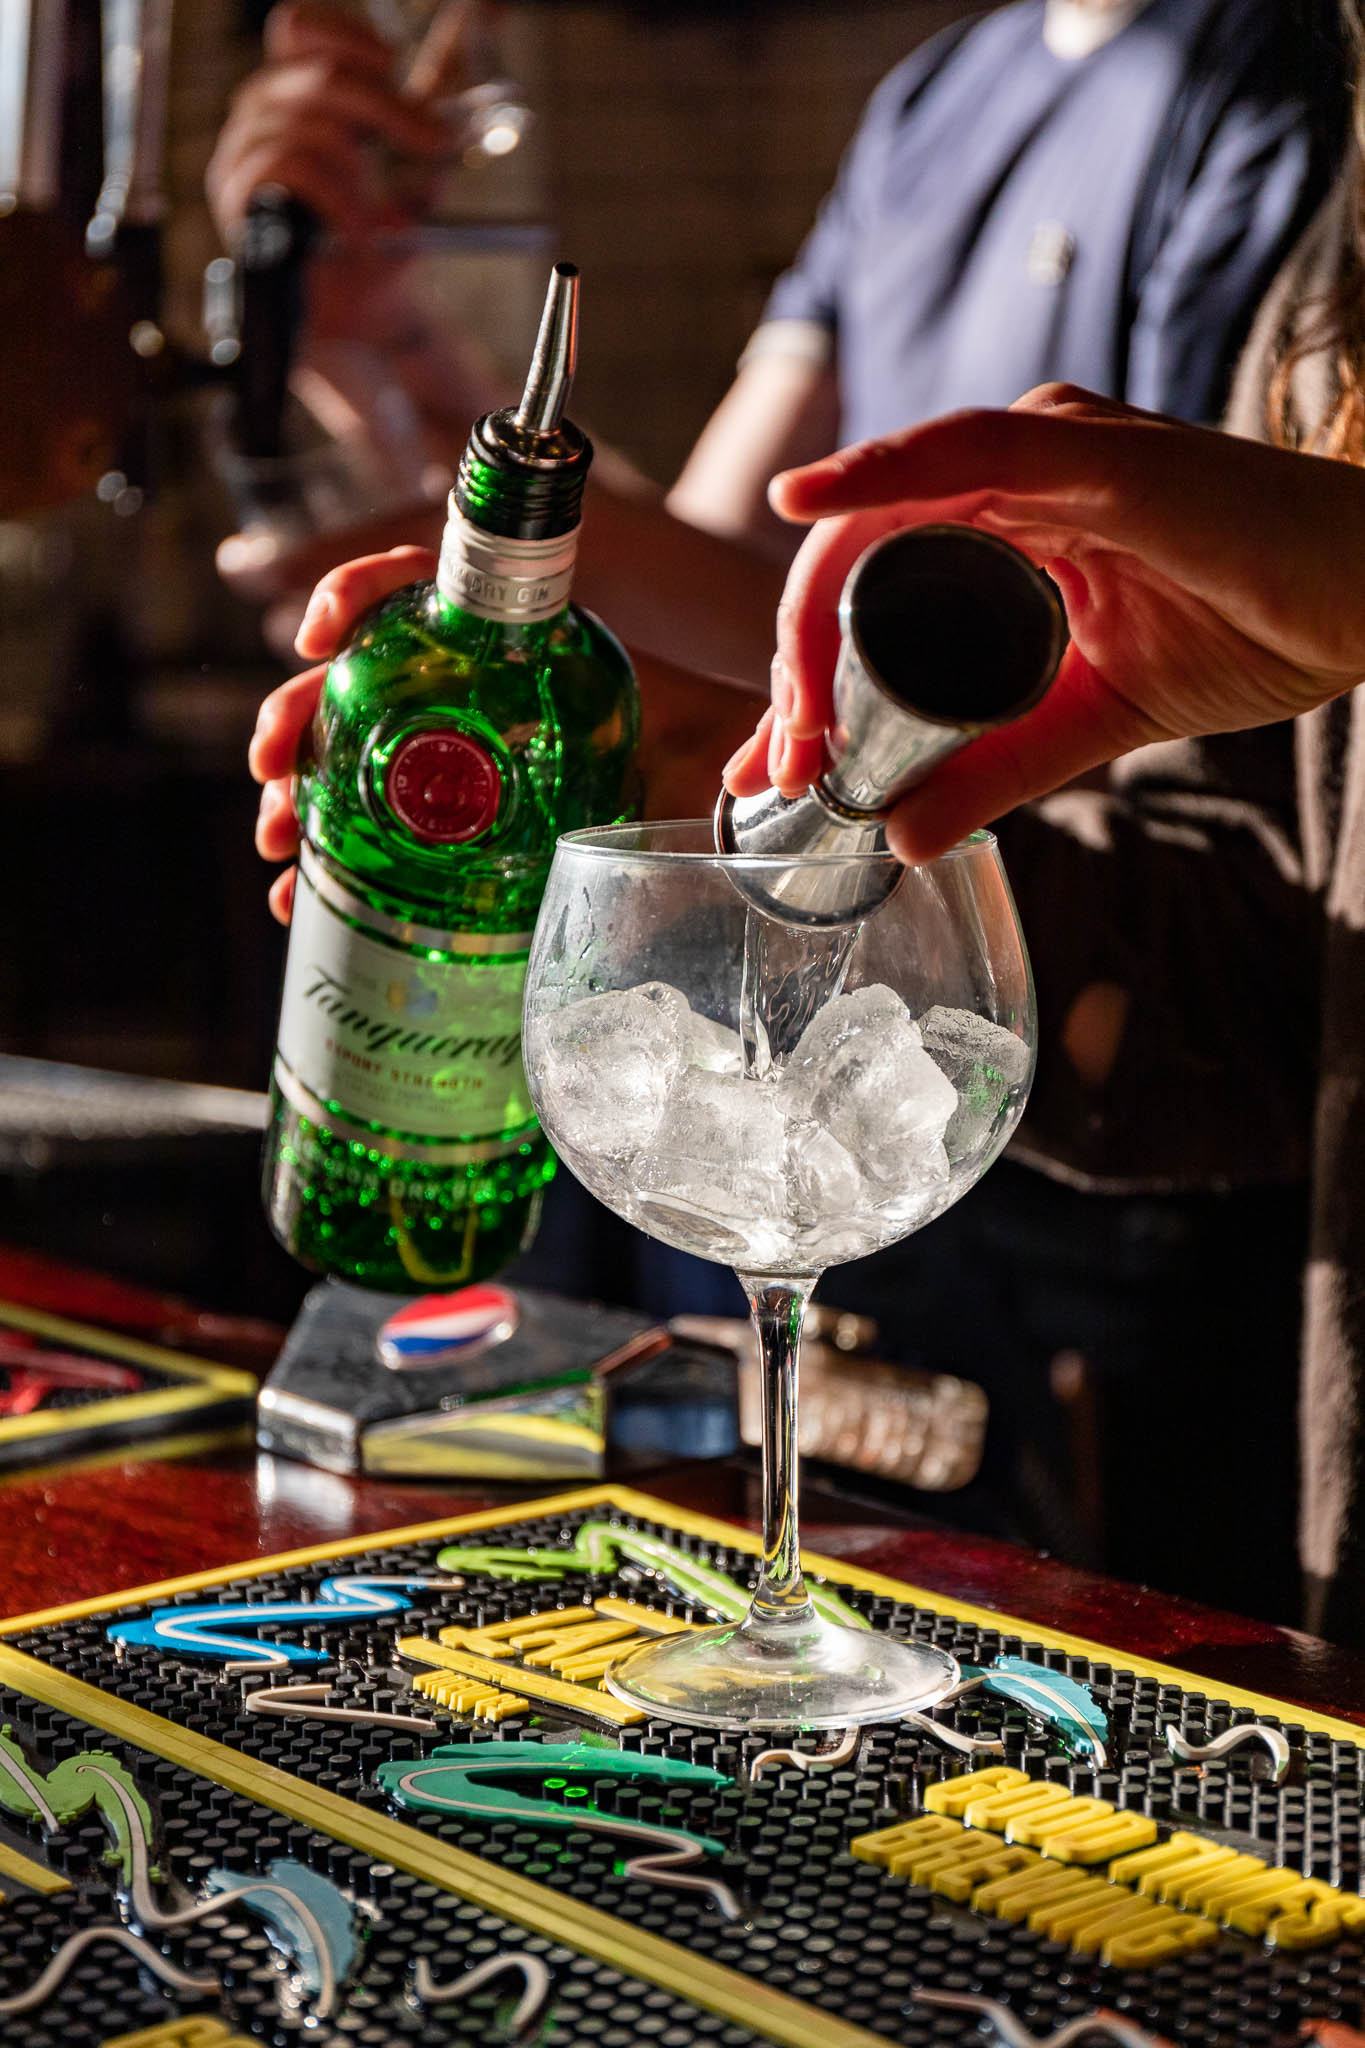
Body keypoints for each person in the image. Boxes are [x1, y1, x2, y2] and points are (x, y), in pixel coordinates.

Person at [230, 0, 1345, 1615]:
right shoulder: (933, 103)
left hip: (1079, 1139)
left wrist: (615, 646)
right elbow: (716, 560)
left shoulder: (1269, 92)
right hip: (808, 1014)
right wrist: (370, 335)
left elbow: (1181, 692)